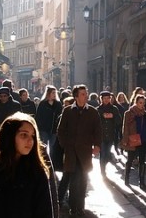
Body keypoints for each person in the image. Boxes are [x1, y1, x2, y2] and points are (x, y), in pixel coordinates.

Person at [57, 84, 101, 217]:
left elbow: (98, 131)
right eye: (83, 94)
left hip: (85, 152)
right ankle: (72, 206)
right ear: (76, 97)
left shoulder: (93, 112)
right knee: (73, 179)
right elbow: (60, 130)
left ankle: (80, 206)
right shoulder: (68, 111)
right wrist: (65, 144)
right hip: (71, 152)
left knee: (82, 180)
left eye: (86, 93)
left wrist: (97, 145)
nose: (86, 96)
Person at [121, 94, 146, 190]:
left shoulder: (144, 113)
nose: (142, 105)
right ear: (136, 102)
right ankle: (127, 178)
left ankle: (141, 182)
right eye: (140, 103)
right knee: (130, 159)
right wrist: (125, 140)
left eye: (143, 103)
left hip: (143, 139)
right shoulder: (129, 113)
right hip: (133, 139)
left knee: (142, 161)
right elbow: (125, 127)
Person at [96, 91, 122, 178]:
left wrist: (113, 116)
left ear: (110, 99)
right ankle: (102, 172)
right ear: (101, 99)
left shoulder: (114, 109)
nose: (106, 100)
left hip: (111, 135)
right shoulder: (98, 109)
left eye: (108, 98)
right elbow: (94, 122)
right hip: (101, 136)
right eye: (104, 98)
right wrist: (102, 116)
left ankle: (107, 161)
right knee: (102, 154)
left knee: (107, 154)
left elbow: (119, 121)